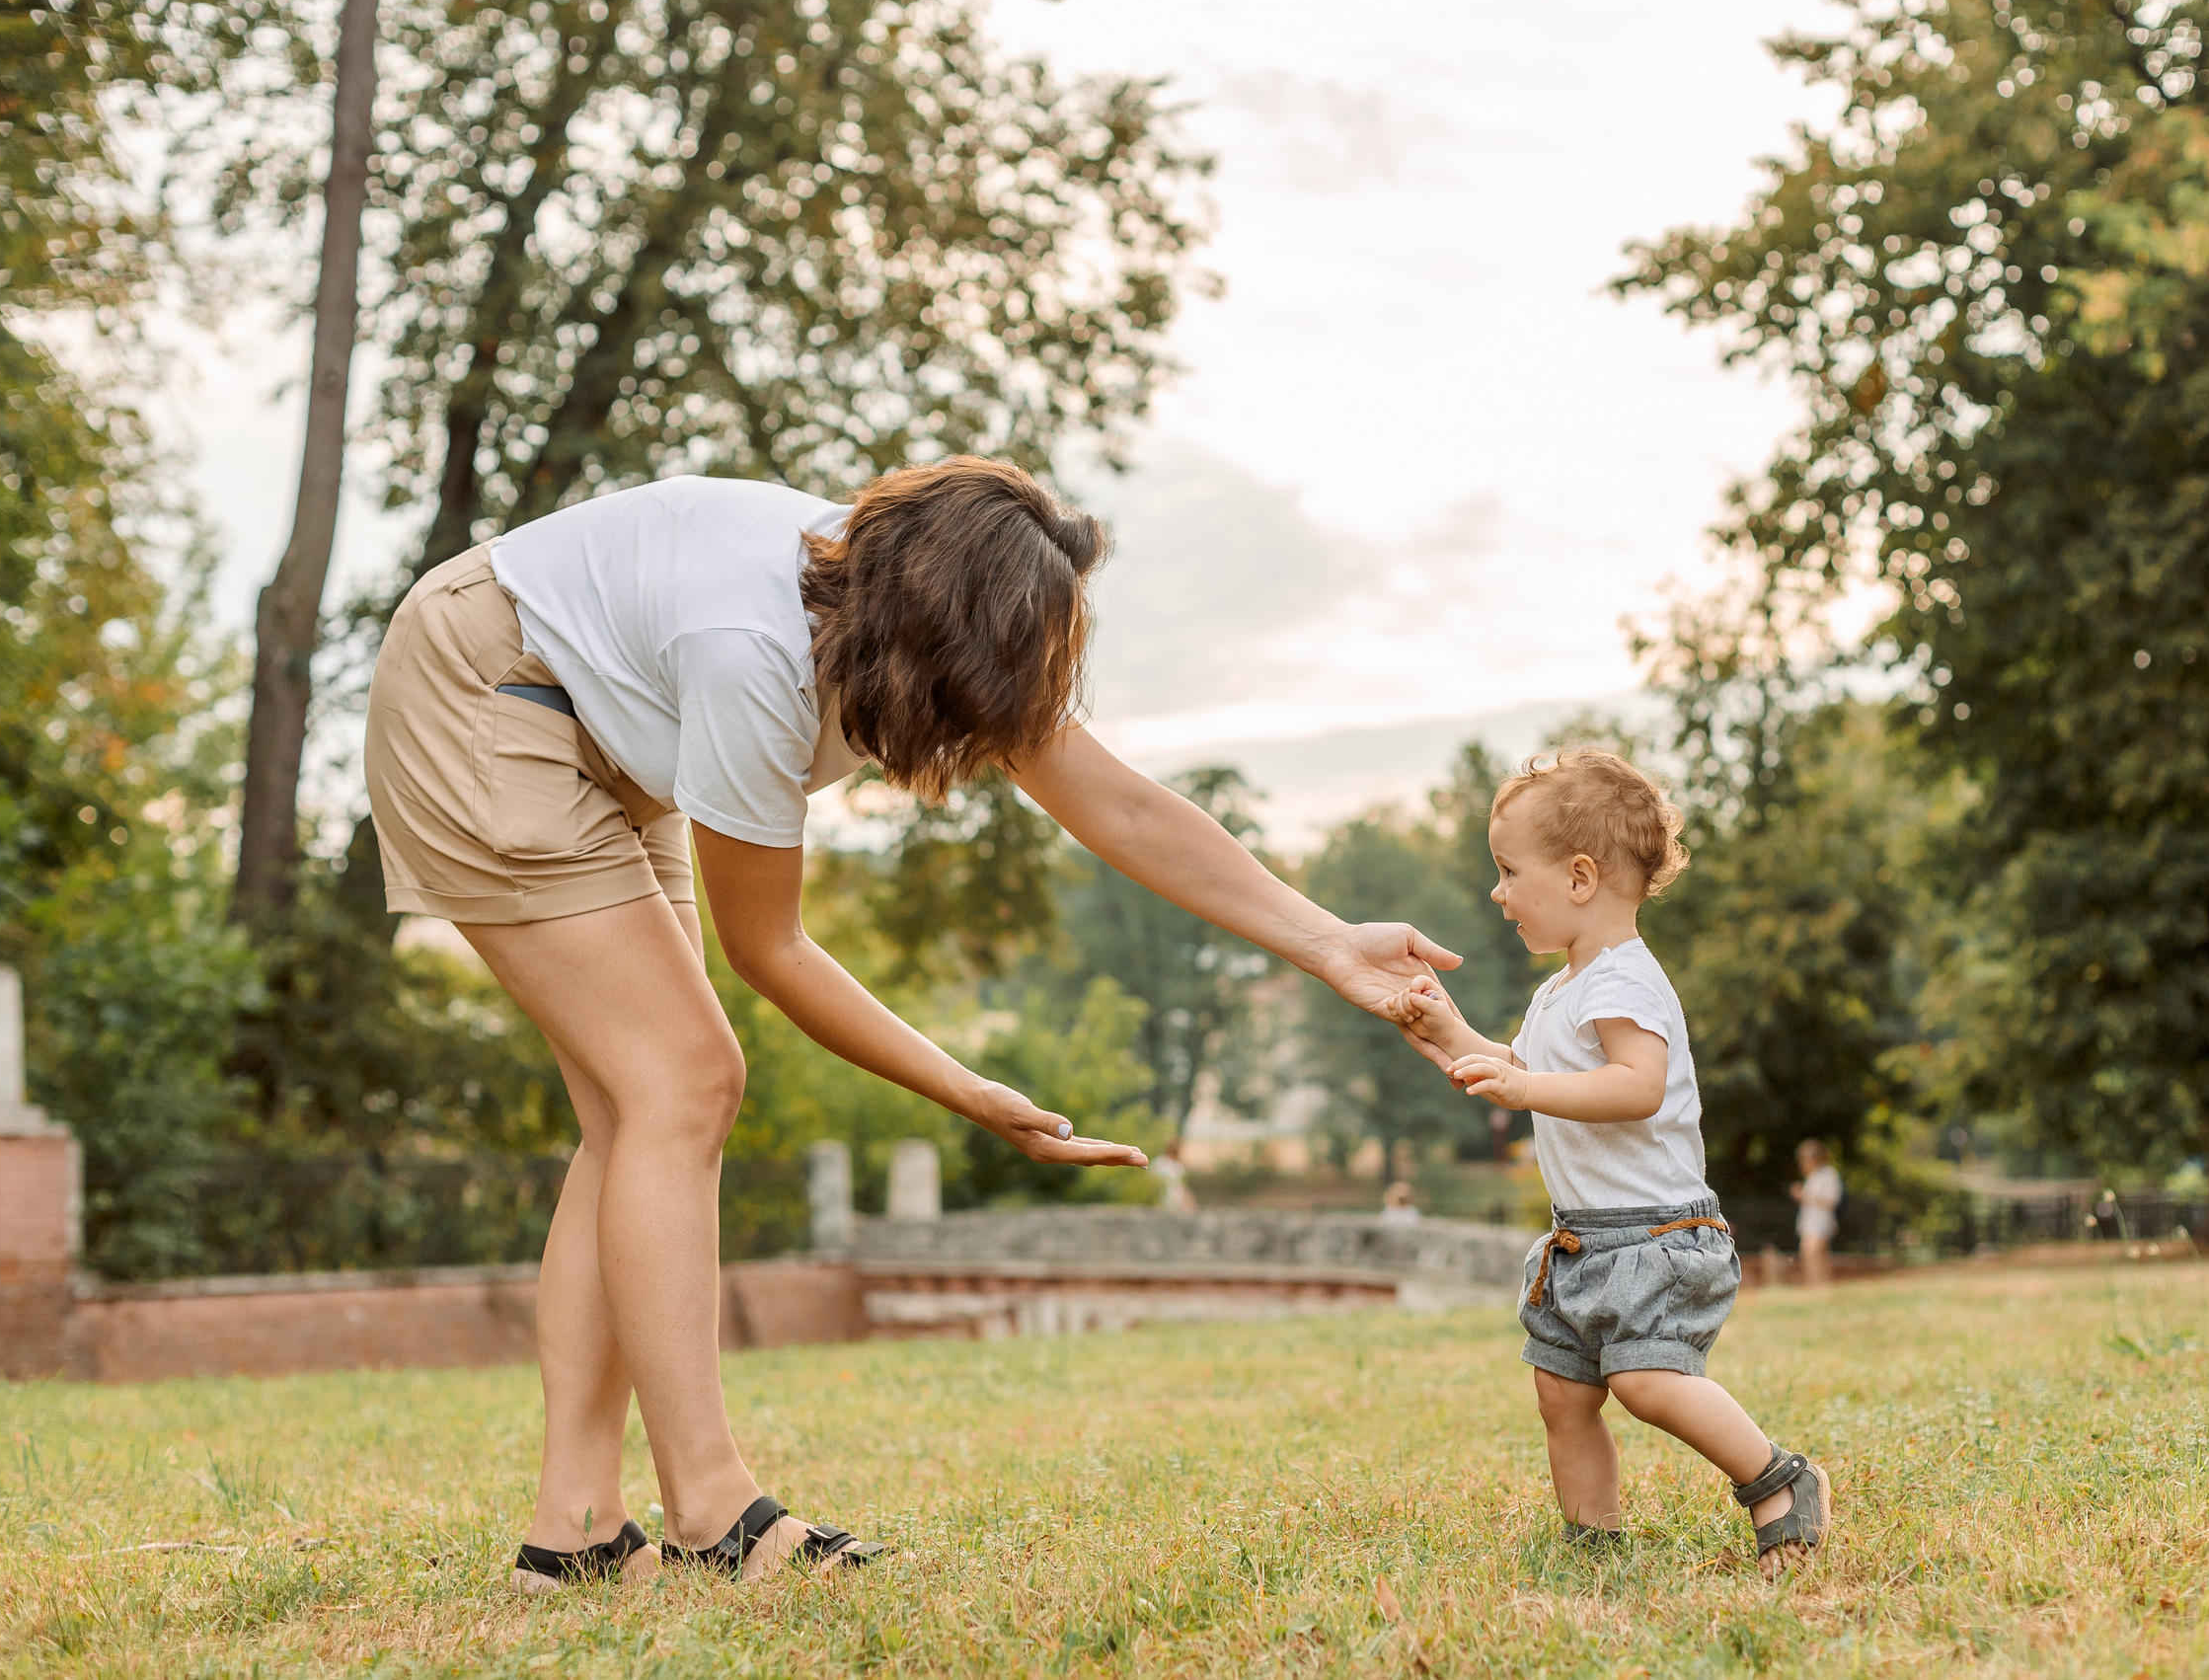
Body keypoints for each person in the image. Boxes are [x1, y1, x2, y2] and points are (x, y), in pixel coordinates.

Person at [363, 460, 1460, 1593]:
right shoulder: (756, 652)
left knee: (635, 1108)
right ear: (926, 637)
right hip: (489, 690)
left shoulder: (914, 598)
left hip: (597, 717)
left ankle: (576, 1532)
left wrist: (1325, 939)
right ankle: (711, 1509)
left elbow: (1120, 802)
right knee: (683, 1082)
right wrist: (969, 1091)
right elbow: (770, 949)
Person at [1385, 748, 1831, 1578]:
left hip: (1657, 1236)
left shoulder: (1625, 978)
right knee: (1563, 1394)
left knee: (1648, 1382)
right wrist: (1448, 1032)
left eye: (1510, 871)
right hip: (1582, 1243)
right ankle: (1595, 1545)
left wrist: (1523, 1083)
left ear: (1581, 877)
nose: (1499, 891)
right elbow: (1518, 1072)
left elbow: (1637, 1086)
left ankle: (1781, 1479)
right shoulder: (1561, 990)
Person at [1790, 1140, 1842, 1287]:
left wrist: (1805, 1196)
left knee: (1812, 1253)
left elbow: (1831, 1200)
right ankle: (1817, 1284)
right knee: (1814, 1256)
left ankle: (1819, 1284)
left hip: (1821, 1221)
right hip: (1810, 1221)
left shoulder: (1829, 1174)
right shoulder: (1813, 1177)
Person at [1152, 1138, 1198, 1214]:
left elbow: (1182, 1186)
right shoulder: (1161, 1164)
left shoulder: (1178, 1166)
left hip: (1176, 1200)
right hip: (1164, 1200)